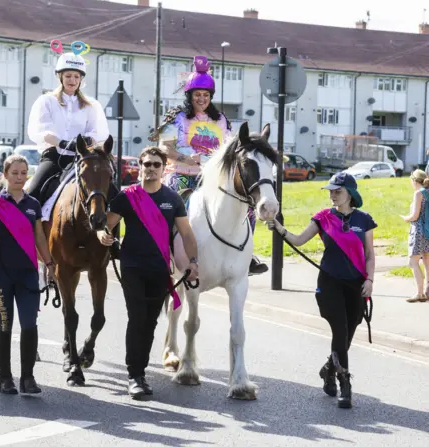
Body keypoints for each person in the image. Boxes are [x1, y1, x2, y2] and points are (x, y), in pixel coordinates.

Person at [150, 55, 267, 276]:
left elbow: (232, 147)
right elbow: (164, 148)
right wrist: (187, 159)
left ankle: (246, 257)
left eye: (206, 95)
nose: (202, 99)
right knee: (169, 204)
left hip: (215, 177)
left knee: (246, 207)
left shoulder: (221, 120)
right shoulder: (177, 118)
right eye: (197, 95)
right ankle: (162, 252)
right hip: (182, 172)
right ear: (189, 95)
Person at [97, 146, 199, 400]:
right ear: (140, 167)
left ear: (164, 169)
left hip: (159, 269)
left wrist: (193, 262)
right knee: (137, 318)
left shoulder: (173, 199)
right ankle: (135, 375)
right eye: (147, 164)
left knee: (151, 322)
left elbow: (186, 234)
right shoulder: (126, 196)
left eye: (156, 164)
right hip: (132, 267)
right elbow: (106, 224)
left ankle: (139, 371)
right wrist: (101, 235)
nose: (151, 168)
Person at [267, 172, 376, 409]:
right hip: (329, 282)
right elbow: (298, 240)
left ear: (350, 194)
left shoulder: (364, 219)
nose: (332, 195)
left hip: (356, 284)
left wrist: (370, 280)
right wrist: (278, 227)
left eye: (338, 191)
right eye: (330, 191)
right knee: (340, 330)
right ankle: (344, 384)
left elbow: (369, 254)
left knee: (349, 331)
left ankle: (328, 368)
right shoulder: (323, 217)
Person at [0, 155, 56, 395]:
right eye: (14, 172)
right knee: (4, 325)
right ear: (5, 175)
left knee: (29, 324)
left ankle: (27, 377)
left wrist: (49, 262)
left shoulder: (33, 204)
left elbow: (39, 236)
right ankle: (4, 377)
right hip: (0, 274)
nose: (19, 177)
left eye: (23, 172)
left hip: (27, 274)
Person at [26, 46, 110, 203]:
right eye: (68, 76)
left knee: (113, 194)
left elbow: (98, 131)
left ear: (81, 79)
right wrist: (62, 143)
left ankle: (110, 227)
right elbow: (40, 129)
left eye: (77, 77)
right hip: (54, 156)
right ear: (60, 77)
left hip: (83, 157)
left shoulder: (91, 104)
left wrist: (86, 141)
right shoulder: (46, 101)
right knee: (32, 194)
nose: (72, 80)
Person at [401, 169, 429, 302]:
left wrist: (406, 218)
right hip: (428, 232)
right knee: (427, 262)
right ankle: (427, 290)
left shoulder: (418, 194)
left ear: (414, 181)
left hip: (418, 232)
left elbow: (415, 215)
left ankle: (419, 293)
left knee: (413, 261)